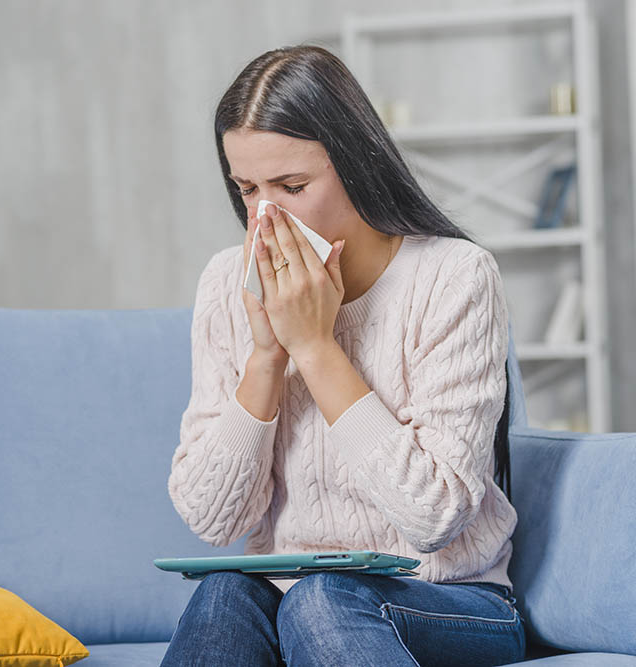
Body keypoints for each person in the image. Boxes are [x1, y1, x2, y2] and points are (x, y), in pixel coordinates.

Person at [162, 45, 527, 667]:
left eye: (292, 186)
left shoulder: (454, 275)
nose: (264, 215)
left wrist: (315, 345)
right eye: (247, 189)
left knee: (323, 599)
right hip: (292, 594)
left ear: (355, 164)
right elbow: (213, 520)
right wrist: (268, 358)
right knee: (225, 592)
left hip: (451, 599)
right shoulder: (227, 282)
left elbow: (436, 516)